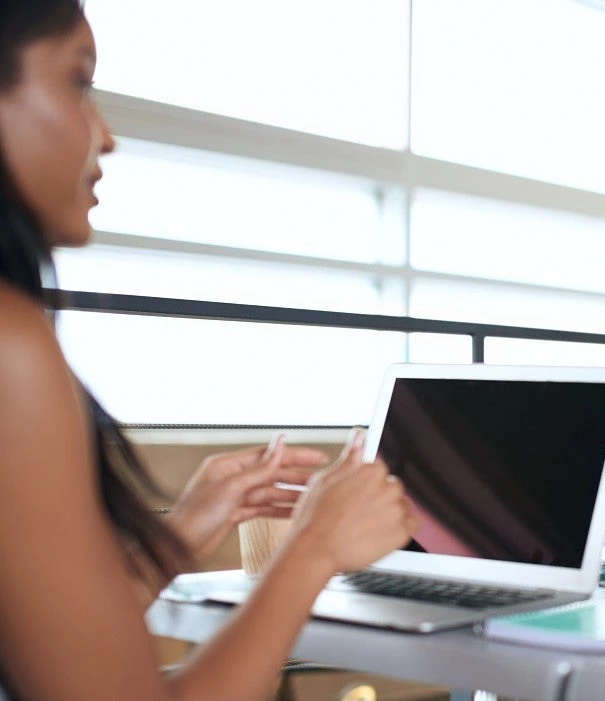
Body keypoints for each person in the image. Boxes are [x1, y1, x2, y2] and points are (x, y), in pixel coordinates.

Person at [0, 2, 419, 698]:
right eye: (79, 83)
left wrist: (190, 528)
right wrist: (314, 547)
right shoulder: (14, 347)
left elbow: (55, 658)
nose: (106, 137)